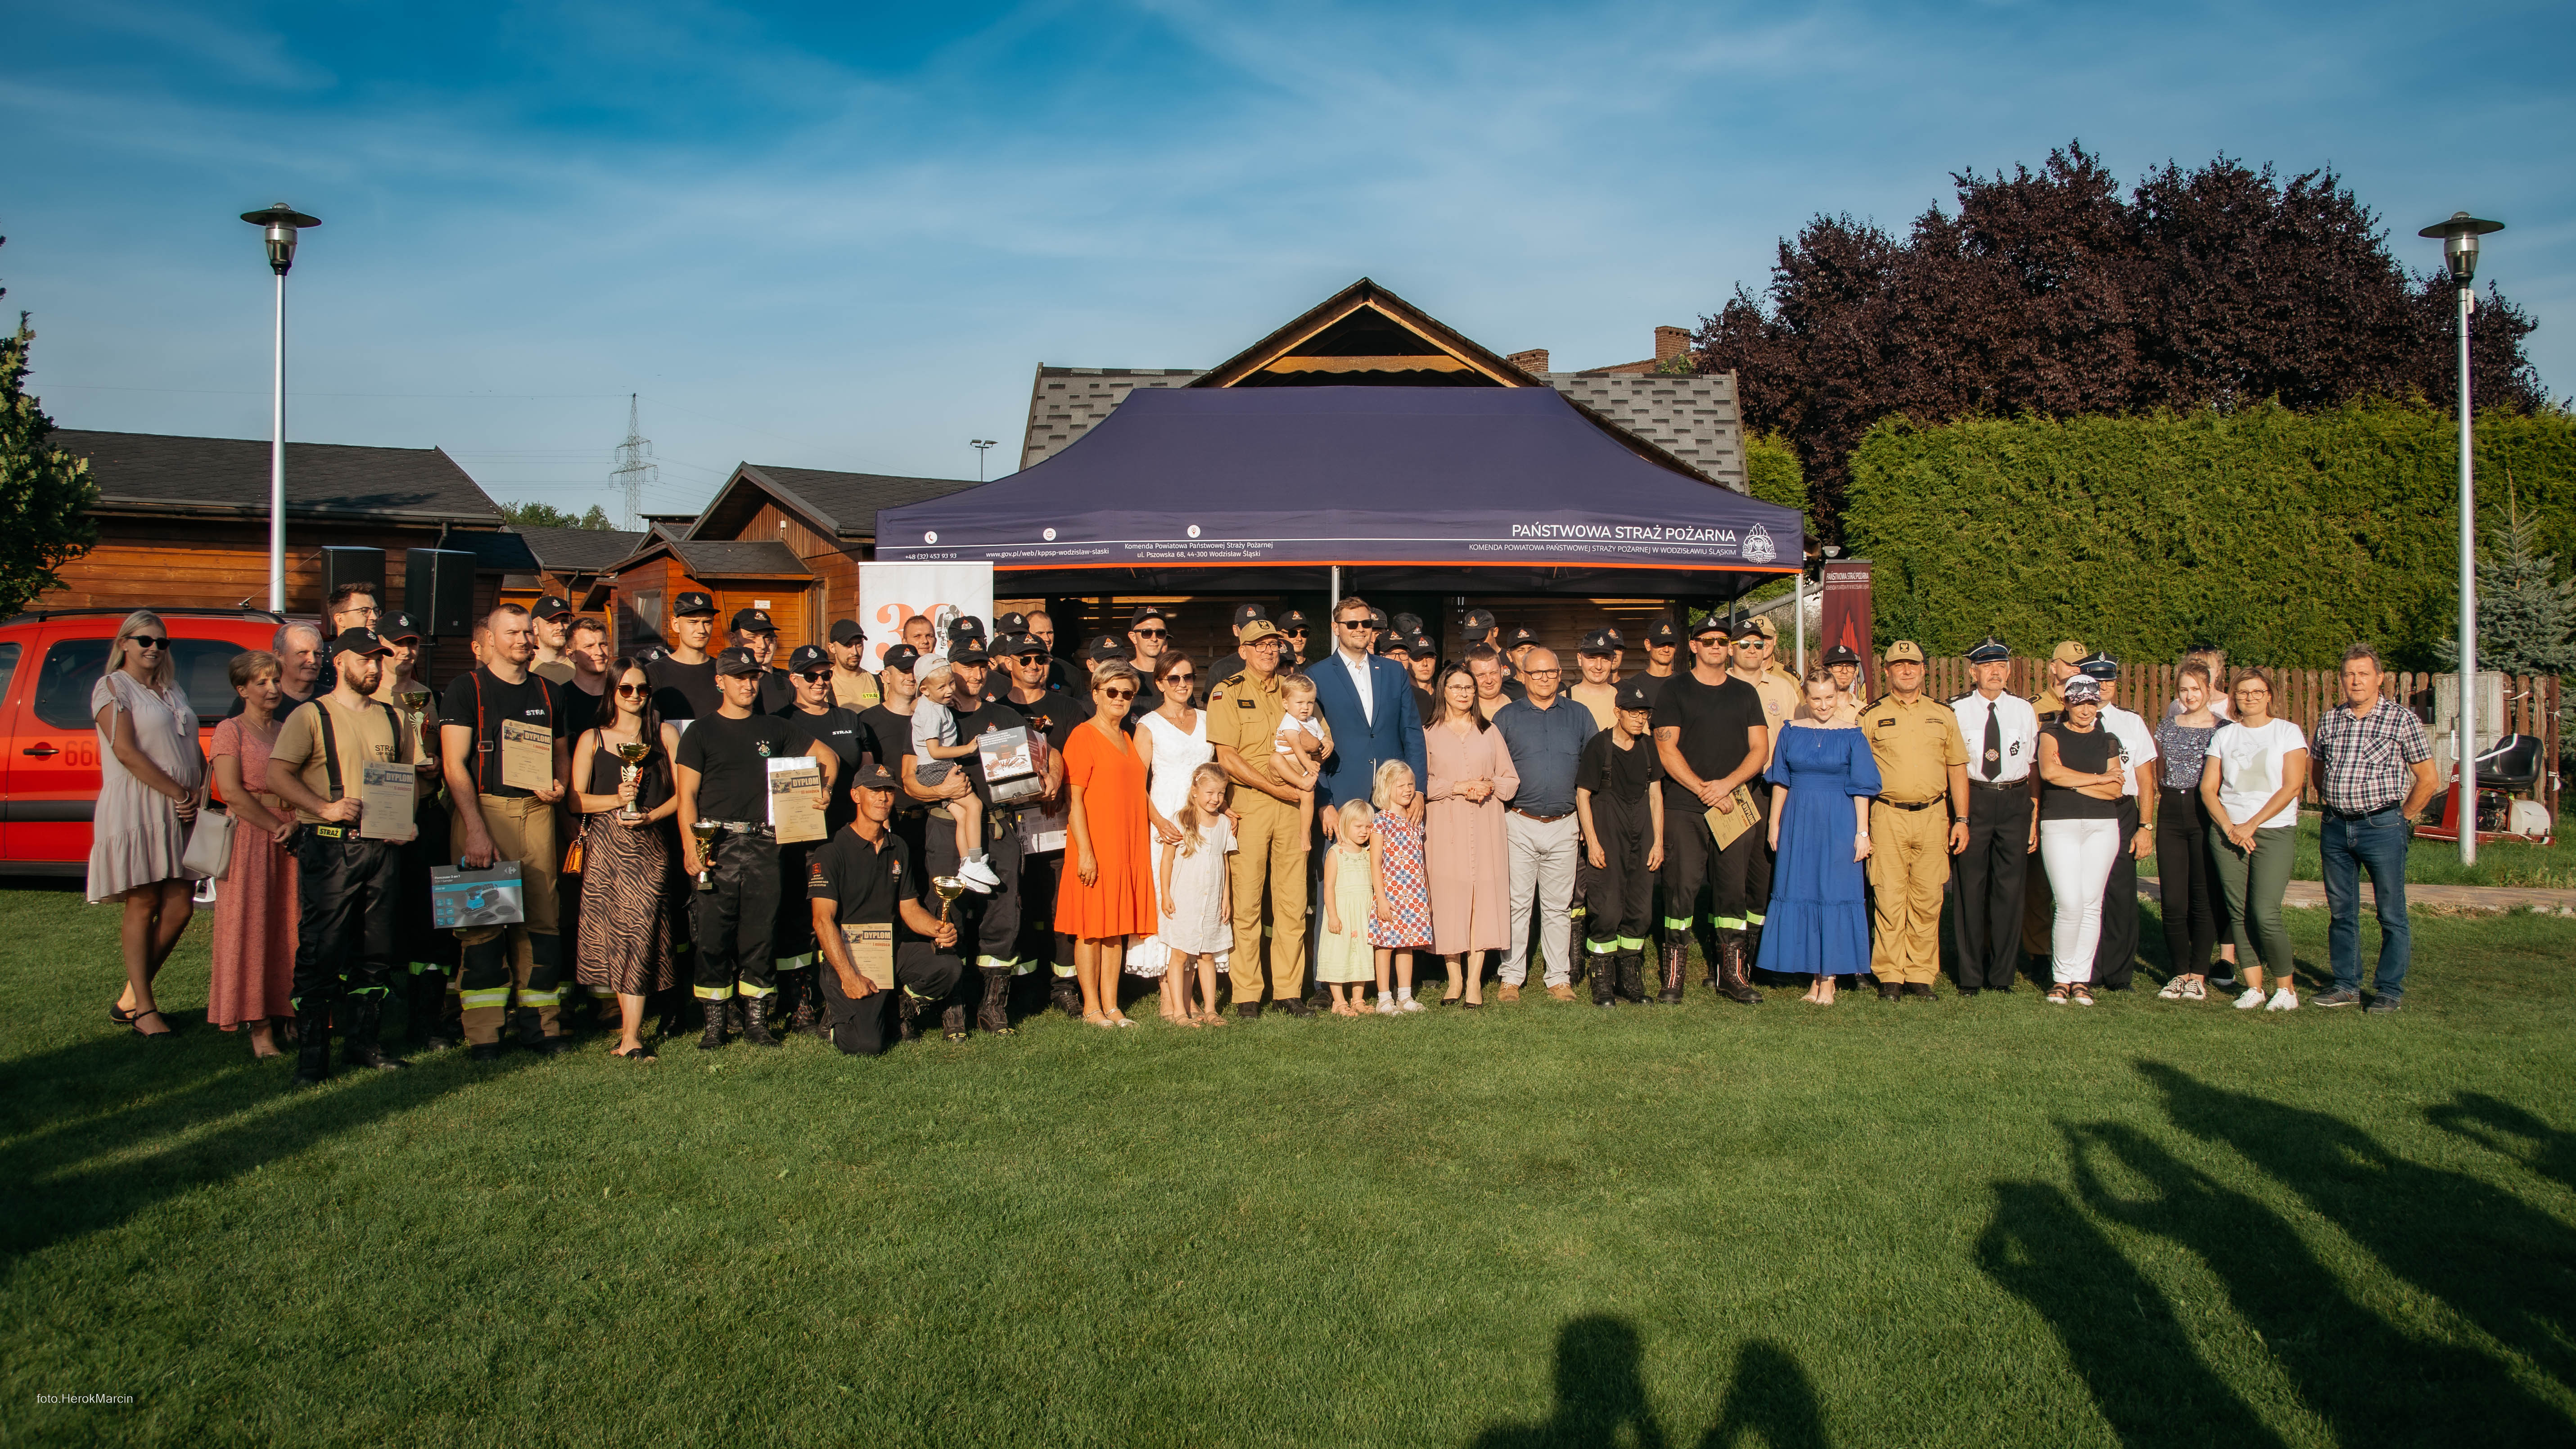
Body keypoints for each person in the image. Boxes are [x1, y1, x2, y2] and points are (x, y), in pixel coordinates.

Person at [267, 627, 429, 1081]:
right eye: (364, 659)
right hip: (330, 846)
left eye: (378, 659)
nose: (374, 667)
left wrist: (407, 821)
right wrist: (324, 807)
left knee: (377, 951)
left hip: (383, 849)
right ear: (338, 662)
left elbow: (409, 778)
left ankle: (364, 1042)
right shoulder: (311, 715)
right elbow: (276, 775)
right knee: (321, 950)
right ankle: (312, 1057)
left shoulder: (394, 717)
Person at [676, 646, 835, 1047]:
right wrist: (691, 846)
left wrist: (826, 788)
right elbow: (686, 796)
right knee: (713, 937)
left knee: (760, 934)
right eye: (739, 677)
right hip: (716, 844)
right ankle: (715, 1024)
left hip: (765, 842)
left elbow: (827, 756)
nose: (748, 684)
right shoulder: (700, 731)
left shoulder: (774, 727)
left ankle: (757, 1022)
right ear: (720, 682)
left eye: (753, 677)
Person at [442, 604, 575, 1058]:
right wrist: (476, 830)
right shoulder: (465, 688)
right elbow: (453, 765)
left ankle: (542, 1027)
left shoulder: (549, 690)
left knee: (542, 923)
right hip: (483, 811)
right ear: (490, 640)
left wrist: (560, 785)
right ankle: (484, 1034)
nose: (522, 640)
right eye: (511, 632)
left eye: (525, 632)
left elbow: (561, 752)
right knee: (481, 925)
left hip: (536, 813)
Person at [901, 641, 1039, 1028]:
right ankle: (953, 1007)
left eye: (982, 666)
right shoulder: (930, 713)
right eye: (966, 667)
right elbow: (909, 780)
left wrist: (1038, 779)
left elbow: (1029, 768)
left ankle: (992, 1006)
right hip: (947, 826)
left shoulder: (1004, 715)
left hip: (998, 826)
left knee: (1002, 916)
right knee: (949, 915)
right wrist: (940, 790)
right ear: (948, 672)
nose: (976, 674)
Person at [92, 610, 205, 1039]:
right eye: (145, 640)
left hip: (182, 805)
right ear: (124, 643)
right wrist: (178, 792)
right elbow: (125, 750)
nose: (154, 648)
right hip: (140, 802)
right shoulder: (111, 687)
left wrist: (202, 789)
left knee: (180, 906)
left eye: (162, 642)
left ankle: (130, 997)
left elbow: (190, 746)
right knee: (143, 901)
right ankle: (144, 1008)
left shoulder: (172, 688)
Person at [2308, 644, 2438, 1012]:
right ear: (2341, 679)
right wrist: (2335, 801)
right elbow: (2318, 771)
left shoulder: (2401, 720)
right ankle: (2345, 984)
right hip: (2336, 826)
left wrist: (2402, 817)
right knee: (2341, 911)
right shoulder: (2330, 720)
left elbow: (2428, 779)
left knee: (2391, 912)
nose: (2356, 681)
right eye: (2349, 674)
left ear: (2379, 678)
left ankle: (2388, 989)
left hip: (2382, 825)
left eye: (2363, 673)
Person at [806, 765, 967, 1057]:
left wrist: (937, 928)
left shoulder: (899, 847)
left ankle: (898, 1008)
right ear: (856, 796)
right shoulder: (830, 852)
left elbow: (909, 908)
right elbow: (822, 921)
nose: (883, 798)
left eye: (888, 791)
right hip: (849, 954)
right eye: (874, 791)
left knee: (948, 967)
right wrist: (848, 976)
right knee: (866, 1046)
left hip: (889, 949)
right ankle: (836, 1016)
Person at [1651, 617, 1772, 1005]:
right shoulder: (1674, 689)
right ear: (1693, 646)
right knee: (1680, 889)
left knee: (1733, 891)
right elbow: (1666, 749)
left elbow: (1760, 749)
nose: (1716, 646)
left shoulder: (1744, 693)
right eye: (1708, 640)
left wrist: (1727, 785)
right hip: (1685, 805)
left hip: (1733, 804)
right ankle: (1673, 978)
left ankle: (1731, 975)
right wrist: (1704, 788)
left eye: (1722, 640)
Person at [568, 656, 683, 1060]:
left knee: (640, 929)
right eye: (627, 688)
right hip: (605, 847)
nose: (635, 695)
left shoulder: (665, 733)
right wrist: (616, 800)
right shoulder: (592, 738)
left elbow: (685, 794)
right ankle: (628, 1033)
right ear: (613, 691)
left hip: (650, 845)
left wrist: (651, 816)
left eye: (643, 688)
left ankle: (631, 1034)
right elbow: (575, 800)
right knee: (615, 935)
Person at [1208, 619, 1314, 1017]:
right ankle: (1247, 993)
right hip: (1251, 805)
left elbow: (1319, 737)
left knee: (1292, 902)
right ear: (1243, 650)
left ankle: (1288, 990)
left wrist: (1313, 752)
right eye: (1260, 645)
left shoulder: (1293, 690)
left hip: (1292, 808)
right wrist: (1275, 787)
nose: (1269, 651)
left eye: (1273, 644)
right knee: (1247, 903)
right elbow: (1227, 757)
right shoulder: (1228, 691)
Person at [1761, 669, 1883, 1004]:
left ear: (1837, 696)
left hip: (1839, 822)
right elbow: (1781, 780)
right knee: (1802, 890)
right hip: (1798, 820)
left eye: (1830, 697)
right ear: (1806, 698)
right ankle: (1813, 978)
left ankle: (1829, 980)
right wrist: (1774, 824)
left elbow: (1862, 788)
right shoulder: (1790, 731)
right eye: (1816, 699)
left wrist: (1862, 832)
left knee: (1834, 892)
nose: (1824, 705)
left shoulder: (1852, 734)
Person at [1857, 641, 1969, 1001]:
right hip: (1887, 814)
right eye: (1898, 665)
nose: (1906, 670)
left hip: (1934, 815)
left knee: (1927, 897)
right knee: (1889, 896)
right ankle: (1890, 974)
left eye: (1913, 664)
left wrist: (1961, 818)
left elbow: (1957, 767)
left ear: (1924, 669)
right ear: (1886, 671)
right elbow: (1858, 774)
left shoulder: (1943, 714)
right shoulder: (1870, 715)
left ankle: (1920, 974)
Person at [372, 611, 460, 1046]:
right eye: (397, 643)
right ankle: (368, 1023)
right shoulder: (368, 695)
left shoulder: (426, 695)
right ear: (379, 647)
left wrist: (435, 764)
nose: (406, 651)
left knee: (432, 917)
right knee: (381, 919)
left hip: (425, 811)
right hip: (380, 817)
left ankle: (426, 1019)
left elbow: (437, 747)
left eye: (412, 643)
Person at [773, 643, 871, 1034]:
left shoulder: (849, 718)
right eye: (810, 676)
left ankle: (839, 996)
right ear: (793, 679)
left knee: (844, 916)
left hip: (844, 837)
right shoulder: (780, 721)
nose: (819, 682)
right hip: (796, 839)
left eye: (825, 675)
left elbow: (867, 775)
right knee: (798, 920)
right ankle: (799, 1003)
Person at [208, 650, 299, 1056]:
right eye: (261, 682)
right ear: (241, 689)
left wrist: (295, 822)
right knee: (252, 926)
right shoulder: (230, 730)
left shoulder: (287, 729)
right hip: (251, 836)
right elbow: (231, 791)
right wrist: (274, 825)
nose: (272, 688)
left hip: (291, 833)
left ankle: (291, 1011)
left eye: (275, 680)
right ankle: (258, 1024)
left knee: (291, 925)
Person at [2202, 668, 2308, 1012]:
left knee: (2264, 911)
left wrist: (2251, 824)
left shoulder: (2287, 732)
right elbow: (2208, 788)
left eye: (2256, 691)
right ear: (2233, 697)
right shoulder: (2224, 735)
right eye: (2242, 692)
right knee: (2238, 911)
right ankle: (2253, 987)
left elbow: (2292, 786)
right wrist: (2229, 827)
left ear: (2269, 695)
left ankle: (2286, 989)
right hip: (2228, 833)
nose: (2249, 697)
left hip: (2272, 830)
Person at [1493, 647, 1594, 1003]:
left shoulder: (1579, 715)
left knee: (1557, 907)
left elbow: (1592, 769)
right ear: (1523, 676)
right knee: (1517, 904)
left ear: (1559, 674)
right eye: (1536, 673)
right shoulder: (1506, 717)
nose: (1544, 679)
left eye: (1551, 672)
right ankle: (1511, 977)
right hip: (1519, 821)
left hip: (1565, 822)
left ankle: (1558, 978)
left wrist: (1587, 822)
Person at [1059, 662, 1156, 1026]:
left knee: (1115, 927)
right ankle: (1091, 1007)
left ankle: (1112, 1006)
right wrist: (1085, 852)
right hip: (1095, 844)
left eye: (1127, 693)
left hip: (1126, 846)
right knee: (1090, 929)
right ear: (1096, 694)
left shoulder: (1128, 738)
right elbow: (1074, 800)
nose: (1119, 698)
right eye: (1112, 691)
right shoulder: (1083, 736)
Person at [1948, 636, 2039, 995]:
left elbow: (2032, 765)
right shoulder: (1956, 710)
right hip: (1974, 798)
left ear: (2009, 670)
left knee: (2010, 889)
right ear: (1973, 672)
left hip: (2014, 799)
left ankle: (2002, 975)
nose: (1995, 672)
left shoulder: (2023, 710)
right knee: (1969, 888)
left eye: (2001, 666)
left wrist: (2032, 813)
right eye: (1987, 666)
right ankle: (1970, 975)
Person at [1424, 663, 1520, 1007]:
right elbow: (1420, 783)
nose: (1463, 693)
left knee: (1482, 898)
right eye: (1456, 687)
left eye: (1469, 688)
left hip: (1484, 824)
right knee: (1448, 898)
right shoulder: (1428, 733)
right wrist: (1456, 786)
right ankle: (1454, 980)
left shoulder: (1489, 731)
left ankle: (1475, 982)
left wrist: (1489, 784)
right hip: (1444, 825)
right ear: (1443, 690)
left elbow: (1510, 780)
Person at [997, 630, 1078, 1023]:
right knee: (1021, 908)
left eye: (1040, 659)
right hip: (1012, 830)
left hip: (1058, 826)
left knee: (1062, 907)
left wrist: (1058, 780)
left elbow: (1080, 759)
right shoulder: (996, 710)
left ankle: (1065, 985)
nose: (1034, 665)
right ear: (1008, 663)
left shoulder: (1068, 707)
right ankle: (1026, 986)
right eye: (1024, 659)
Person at [2035, 677, 2127, 1006]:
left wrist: (2073, 780)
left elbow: (2116, 790)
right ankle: (2061, 978)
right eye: (2079, 703)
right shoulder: (2051, 733)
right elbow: (2049, 773)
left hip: (2102, 827)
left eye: (2092, 703)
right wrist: (2099, 779)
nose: (2086, 710)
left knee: (2091, 903)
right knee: (2069, 903)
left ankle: (2080, 979)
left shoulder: (2108, 740)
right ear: (2066, 703)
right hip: (2060, 824)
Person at [1310, 596, 1430, 844]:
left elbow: (1412, 734)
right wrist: (1324, 803)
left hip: (1394, 798)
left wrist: (1418, 790)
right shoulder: (1317, 675)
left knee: (1395, 868)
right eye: (1351, 624)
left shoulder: (1394, 672)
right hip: (1342, 795)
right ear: (1336, 628)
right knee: (1344, 868)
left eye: (1366, 623)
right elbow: (1312, 745)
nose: (1360, 629)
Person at [1574, 678, 1664, 1007]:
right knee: (1607, 908)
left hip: (1643, 834)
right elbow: (1583, 795)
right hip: (1608, 832)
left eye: (1644, 714)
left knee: (1640, 909)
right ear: (1618, 712)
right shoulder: (1599, 745)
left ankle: (1630, 980)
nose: (1640, 719)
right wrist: (1593, 842)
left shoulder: (1649, 746)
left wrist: (1658, 842)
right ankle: (1602, 980)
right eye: (1633, 713)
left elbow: (1656, 796)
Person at [2080, 653, 2158, 992]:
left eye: (2109, 680)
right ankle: (2086, 968)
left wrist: (2145, 826)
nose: (2103, 687)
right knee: (2084, 891)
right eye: (2096, 681)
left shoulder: (2131, 722)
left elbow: (2146, 779)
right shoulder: (2069, 721)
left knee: (2120, 890)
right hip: (2084, 808)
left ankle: (2118, 973)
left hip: (2122, 810)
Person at [2152, 662, 2229, 1002]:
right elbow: (2158, 768)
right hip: (2171, 810)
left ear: (2209, 690)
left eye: (2196, 689)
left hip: (2204, 811)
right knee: (2172, 899)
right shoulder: (2166, 726)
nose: (2189, 695)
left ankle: (2198, 975)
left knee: (2202, 896)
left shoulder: (2223, 729)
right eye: (2183, 689)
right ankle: (2179, 972)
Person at [909, 658, 1001, 892]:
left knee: (962, 816)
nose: (950, 690)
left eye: (951, 684)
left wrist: (945, 699)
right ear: (925, 690)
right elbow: (935, 751)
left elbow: (914, 705)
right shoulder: (931, 713)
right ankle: (977, 861)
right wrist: (968, 749)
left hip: (933, 768)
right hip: (936, 768)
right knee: (975, 806)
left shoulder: (930, 703)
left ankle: (967, 867)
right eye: (942, 687)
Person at [1155, 761, 1234, 1028]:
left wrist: (1226, 897)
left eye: (1221, 793)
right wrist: (1166, 895)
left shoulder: (1224, 823)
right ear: (1195, 792)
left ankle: (1211, 1010)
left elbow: (1224, 862)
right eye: (1210, 793)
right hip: (1185, 899)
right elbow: (1167, 861)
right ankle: (1180, 1011)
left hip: (1212, 902)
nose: (1215, 799)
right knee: (1180, 955)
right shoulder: (1181, 820)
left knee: (1207, 955)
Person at [1367, 759, 1435, 1012]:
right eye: (1401, 785)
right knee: (1385, 945)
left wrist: (1426, 896)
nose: (1408, 790)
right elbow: (1375, 863)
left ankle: (1405, 996)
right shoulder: (1381, 821)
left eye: (1411, 784)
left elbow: (1421, 860)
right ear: (1387, 787)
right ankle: (1384, 998)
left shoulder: (1415, 820)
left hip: (1415, 894)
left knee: (1407, 944)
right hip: (1390, 894)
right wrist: (1381, 899)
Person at [1317, 800, 1376, 1015]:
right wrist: (1333, 916)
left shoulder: (1368, 853)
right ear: (1345, 825)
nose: (1364, 831)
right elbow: (1329, 887)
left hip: (1362, 914)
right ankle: (1339, 1001)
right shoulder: (1336, 853)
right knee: (1338, 953)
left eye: (1368, 827)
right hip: (1342, 913)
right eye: (1358, 826)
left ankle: (1358, 999)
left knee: (1361, 953)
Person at [1269, 673, 1331, 845]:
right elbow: (1296, 746)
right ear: (1286, 704)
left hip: (1302, 768)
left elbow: (1323, 738)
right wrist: (1308, 764)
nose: (1305, 708)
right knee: (1275, 759)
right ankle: (1302, 782)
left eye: (1310, 703)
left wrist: (1329, 744)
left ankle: (1304, 832)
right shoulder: (1290, 721)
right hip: (1287, 765)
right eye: (1300, 703)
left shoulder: (1312, 721)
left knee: (1308, 796)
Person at [646, 591, 723, 724]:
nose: (701, 630)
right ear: (676, 625)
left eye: (707, 622)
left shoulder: (724, 671)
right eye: (693, 622)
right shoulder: (654, 672)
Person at [728, 609, 796, 714]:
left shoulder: (786, 684)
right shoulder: (721, 682)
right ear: (733, 638)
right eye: (753, 637)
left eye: (767, 638)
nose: (763, 645)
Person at [1569, 630, 1622, 731]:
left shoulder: (1624, 700)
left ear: (1612, 661)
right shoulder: (1563, 699)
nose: (1599, 666)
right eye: (1592, 658)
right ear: (1580, 659)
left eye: (1605, 659)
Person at [825, 619, 882, 712]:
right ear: (832, 648)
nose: (855, 652)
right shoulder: (823, 686)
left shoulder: (880, 683)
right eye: (848, 645)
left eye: (859, 644)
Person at [1800, 645, 1862, 725]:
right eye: (1838, 666)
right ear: (1826, 670)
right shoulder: (1808, 711)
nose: (1844, 671)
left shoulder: (1864, 711)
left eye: (1849, 666)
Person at [529, 595, 577, 685]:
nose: (560, 627)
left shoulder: (581, 665)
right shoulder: (524, 665)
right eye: (552, 622)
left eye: (565, 621)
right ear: (535, 628)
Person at [1466, 646, 1512, 722]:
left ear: (1502, 671)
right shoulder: (1465, 713)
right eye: (1481, 675)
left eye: (1493, 673)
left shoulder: (1518, 702)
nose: (1489, 681)